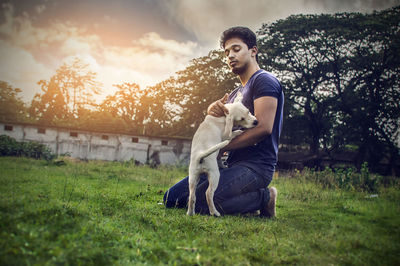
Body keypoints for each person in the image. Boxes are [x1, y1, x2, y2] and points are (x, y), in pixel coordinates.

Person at [163, 26, 284, 217]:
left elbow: (263, 128)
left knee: (204, 202)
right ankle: (239, 199)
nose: (230, 56)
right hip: (229, 165)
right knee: (171, 198)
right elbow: (215, 126)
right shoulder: (235, 94)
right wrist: (211, 109)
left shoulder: (264, 80)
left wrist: (222, 147)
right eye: (227, 52)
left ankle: (264, 197)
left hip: (256, 167)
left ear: (253, 51)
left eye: (236, 49)